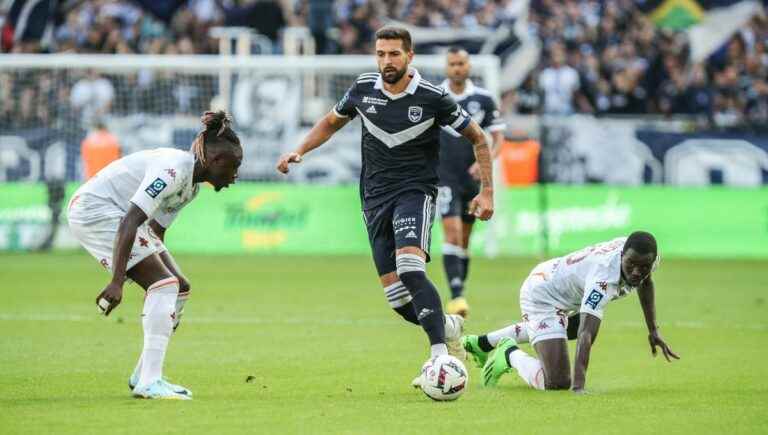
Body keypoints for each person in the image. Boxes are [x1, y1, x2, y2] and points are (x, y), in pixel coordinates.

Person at [276, 26, 495, 387]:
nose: (386, 61)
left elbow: (479, 138)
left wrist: (487, 193)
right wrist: (300, 149)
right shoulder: (363, 88)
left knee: (410, 267)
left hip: (416, 192)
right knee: (396, 297)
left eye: (394, 54)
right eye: (380, 54)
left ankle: (439, 357)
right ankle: (449, 326)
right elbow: (331, 122)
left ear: (409, 56)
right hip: (374, 198)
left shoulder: (432, 97)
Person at [67, 111, 243, 400]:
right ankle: (150, 381)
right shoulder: (173, 170)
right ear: (215, 161)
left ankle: (143, 374)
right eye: (234, 167)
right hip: (93, 210)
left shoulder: (191, 188)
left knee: (178, 286)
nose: (235, 176)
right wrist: (117, 281)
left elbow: (155, 234)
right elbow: (130, 222)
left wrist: (156, 280)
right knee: (165, 284)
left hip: (120, 218)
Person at [462, 231, 680, 393]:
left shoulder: (645, 257)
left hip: (564, 288)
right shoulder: (602, 280)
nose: (636, 272)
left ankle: (482, 343)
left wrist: (653, 330)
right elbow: (587, 334)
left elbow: (645, 282)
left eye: (644, 267)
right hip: (542, 295)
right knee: (557, 382)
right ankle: (509, 354)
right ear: (622, 255)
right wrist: (578, 386)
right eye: (631, 264)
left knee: (564, 329)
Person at [437, 47, 506, 318]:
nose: (457, 68)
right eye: (452, 64)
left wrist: (485, 161)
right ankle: (456, 297)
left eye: (461, 63)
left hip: (472, 180)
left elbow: (499, 138)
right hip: (443, 176)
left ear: (468, 66)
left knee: (464, 240)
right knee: (451, 233)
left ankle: (459, 288)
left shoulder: (484, 99)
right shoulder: (436, 97)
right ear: (447, 67)